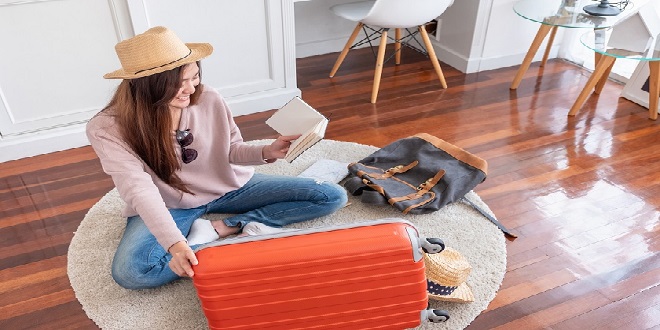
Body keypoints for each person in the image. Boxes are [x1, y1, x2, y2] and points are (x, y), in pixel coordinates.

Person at [87, 26, 347, 290]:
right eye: (179, 83)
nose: (191, 88)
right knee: (132, 273)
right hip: (170, 204)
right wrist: (176, 244)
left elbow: (230, 149)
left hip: (227, 187)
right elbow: (138, 189)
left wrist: (267, 152)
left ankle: (223, 227)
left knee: (332, 195)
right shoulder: (107, 128)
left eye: (195, 76)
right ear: (147, 85)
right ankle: (198, 239)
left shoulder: (208, 97)